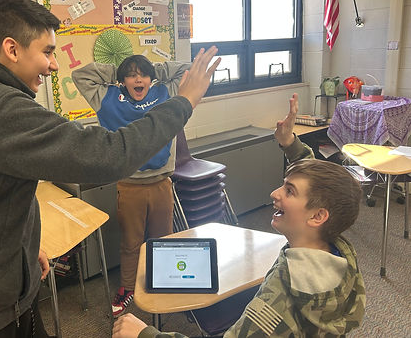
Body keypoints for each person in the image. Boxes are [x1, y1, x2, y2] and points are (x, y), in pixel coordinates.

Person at [0, 0, 220, 337]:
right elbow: (110, 154)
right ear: (12, 49)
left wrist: (22, 249)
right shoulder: (1, 108)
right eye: (47, 52)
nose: (54, 64)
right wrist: (184, 102)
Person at [112, 93, 366, 338]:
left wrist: (146, 333)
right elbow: (322, 189)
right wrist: (290, 143)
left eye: (289, 191)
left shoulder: (279, 297)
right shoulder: (339, 248)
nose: (275, 193)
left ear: (318, 216)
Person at [72, 55, 189, 317]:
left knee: (164, 239)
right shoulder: (107, 97)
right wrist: (119, 71)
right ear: (123, 80)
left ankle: (166, 280)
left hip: (161, 183)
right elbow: (81, 75)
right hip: (129, 185)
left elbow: (189, 70)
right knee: (131, 243)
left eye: (143, 74)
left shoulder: (166, 92)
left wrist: (156, 70)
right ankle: (128, 288)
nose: (138, 79)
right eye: (132, 75)